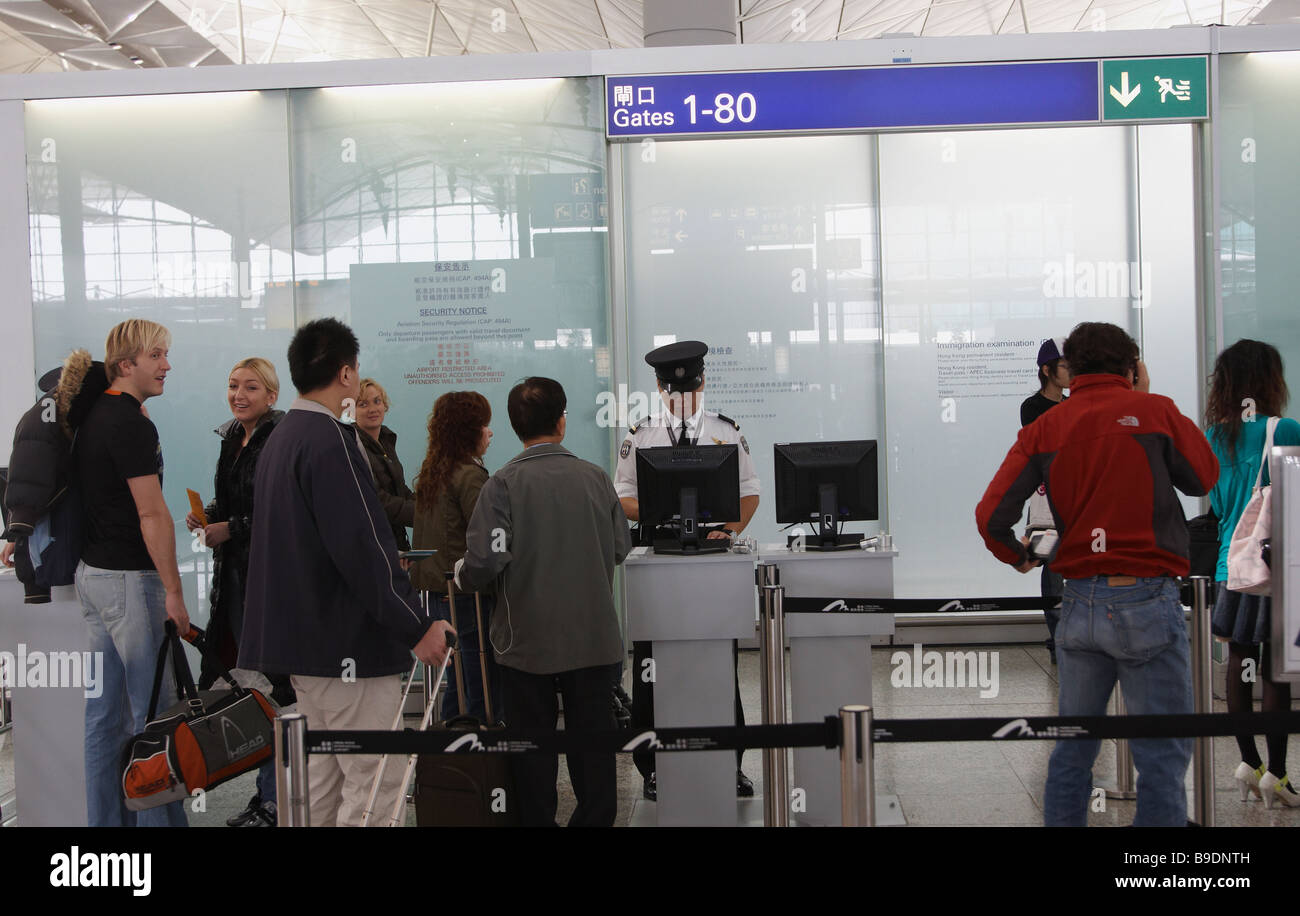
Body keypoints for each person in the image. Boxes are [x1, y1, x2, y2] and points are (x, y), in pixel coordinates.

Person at [976, 322, 1218, 826]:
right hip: (1147, 600)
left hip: (1078, 602)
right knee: (1161, 756)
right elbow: (1203, 476)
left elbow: (991, 515)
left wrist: (1017, 556)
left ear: (1074, 369)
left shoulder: (1045, 428)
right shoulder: (1154, 413)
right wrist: (1145, 399)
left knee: (1072, 750)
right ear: (1130, 367)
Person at [239, 318, 453, 827]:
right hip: (347, 645)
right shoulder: (331, 440)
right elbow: (362, 547)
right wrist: (415, 625)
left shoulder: (281, 438)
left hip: (308, 650)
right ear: (346, 373)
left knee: (321, 787)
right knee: (377, 779)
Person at [456, 377, 631, 827]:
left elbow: (485, 562)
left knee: (532, 746)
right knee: (593, 745)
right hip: (592, 638)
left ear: (515, 426)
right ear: (562, 421)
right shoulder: (595, 479)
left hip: (524, 640)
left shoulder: (502, 485)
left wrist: (461, 572)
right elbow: (618, 548)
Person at [613, 340, 760, 801]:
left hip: (713, 563)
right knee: (653, 665)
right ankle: (654, 766)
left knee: (720, 659)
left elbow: (750, 492)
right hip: (659, 558)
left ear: (702, 384)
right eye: (674, 390)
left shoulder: (726, 431)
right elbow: (622, 498)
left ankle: (728, 761)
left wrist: (728, 530)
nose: (683, 397)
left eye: (691, 388)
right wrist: (659, 512)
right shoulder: (641, 435)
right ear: (660, 388)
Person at [74, 320, 190, 827]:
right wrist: (174, 592)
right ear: (127, 365)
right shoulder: (128, 423)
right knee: (155, 718)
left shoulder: (97, 415)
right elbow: (151, 513)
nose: (167, 364)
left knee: (104, 717)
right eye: (157, 356)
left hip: (95, 575)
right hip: (128, 580)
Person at [184, 357, 288, 827]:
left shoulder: (279, 437)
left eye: (249, 387)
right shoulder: (232, 438)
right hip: (233, 584)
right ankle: (266, 795)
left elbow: (282, 512)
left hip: (270, 584)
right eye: (232, 386)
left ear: (271, 394)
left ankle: (276, 799)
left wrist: (233, 528)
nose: (238, 394)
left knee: (276, 693)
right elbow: (234, 502)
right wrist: (208, 516)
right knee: (248, 691)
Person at [1204, 339, 1300, 807]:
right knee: (1277, 673)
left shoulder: (1213, 436)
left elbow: (1218, 505)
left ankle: (1250, 762)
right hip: (1273, 565)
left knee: (1240, 663)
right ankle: (1279, 774)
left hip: (1230, 563)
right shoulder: (1285, 429)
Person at [409, 390, 500, 722]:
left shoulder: (436, 470)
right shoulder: (471, 475)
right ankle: (474, 759)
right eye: (484, 425)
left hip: (438, 591)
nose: (490, 432)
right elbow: (487, 538)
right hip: (466, 593)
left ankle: (448, 761)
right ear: (468, 431)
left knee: (458, 683)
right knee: (481, 686)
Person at [2, 357, 108, 602]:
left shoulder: (55, 416)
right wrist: (20, 533)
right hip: (83, 543)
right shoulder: (61, 416)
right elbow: (34, 474)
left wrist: (19, 535)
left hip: (83, 543)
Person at [1020, 337, 1069, 664]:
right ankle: (1057, 639)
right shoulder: (1032, 407)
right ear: (1047, 370)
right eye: (1065, 366)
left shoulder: (1075, 403)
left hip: (1075, 499)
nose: (1070, 373)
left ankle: (1074, 637)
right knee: (1050, 567)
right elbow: (1044, 446)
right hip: (1045, 505)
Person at [353, 378, 415, 551]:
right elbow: (376, 500)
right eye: (363, 404)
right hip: (373, 546)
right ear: (352, 411)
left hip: (395, 542)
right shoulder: (353, 447)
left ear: (385, 406)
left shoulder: (386, 441)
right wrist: (424, 515)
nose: (372, 409)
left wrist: (431, 505)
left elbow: (400, 490)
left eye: (377, 401)